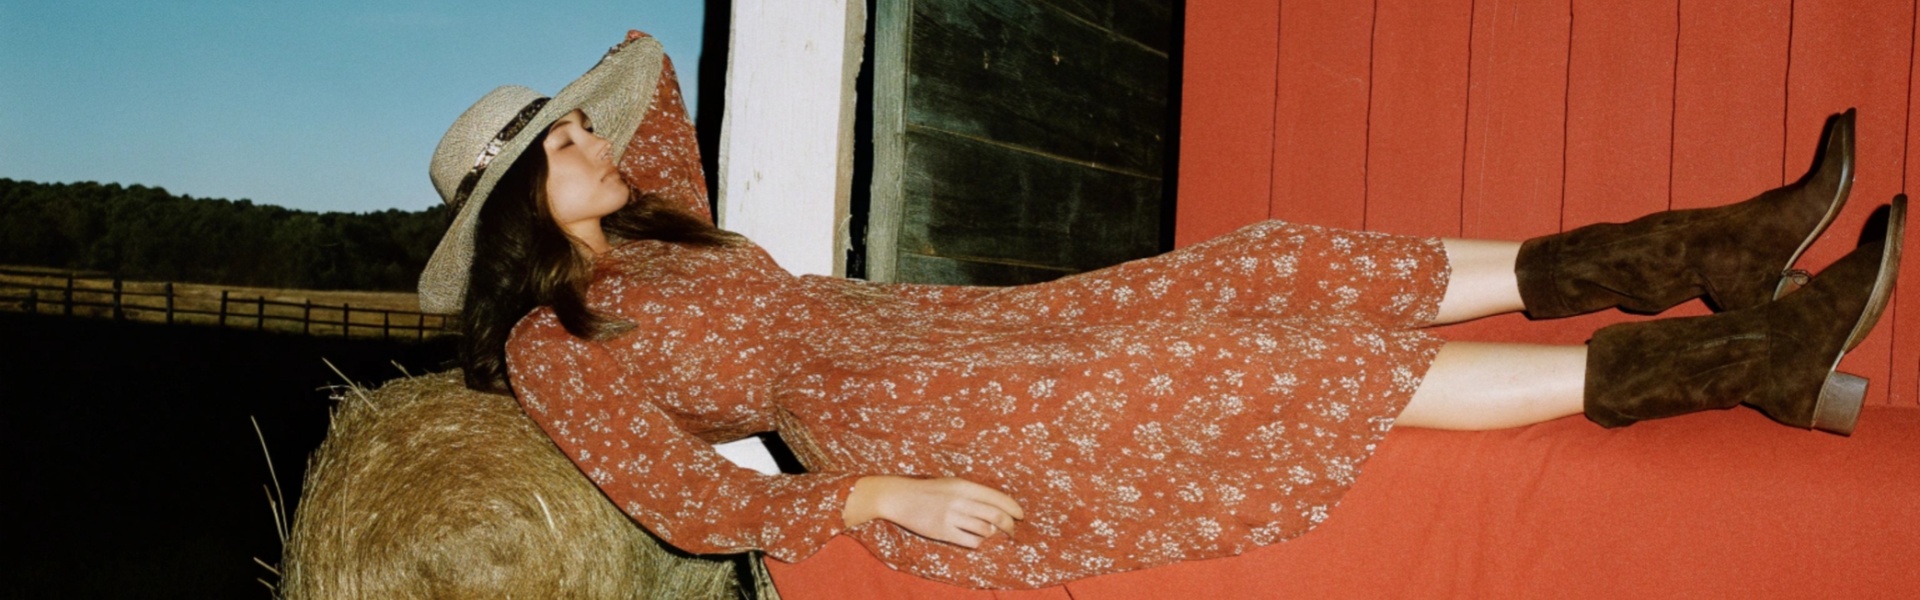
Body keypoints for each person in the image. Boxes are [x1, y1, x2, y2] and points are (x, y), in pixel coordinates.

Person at [418, 31, 1906, 589]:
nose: (599, 144)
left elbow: (655, 103)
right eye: (564, 147)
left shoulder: (659, 239)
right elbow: (683, 501)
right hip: (905, 410)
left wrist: (585, 124)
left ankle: (1697, 250)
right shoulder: (557, 350)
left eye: (580, 127)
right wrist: (870, 494)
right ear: (505, 228)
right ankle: (1739, 358)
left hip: (944, 331)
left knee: (1267, 262)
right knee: (1253, 360)